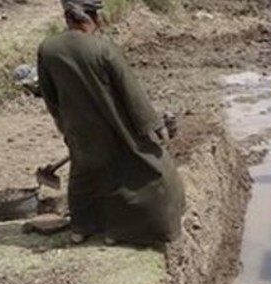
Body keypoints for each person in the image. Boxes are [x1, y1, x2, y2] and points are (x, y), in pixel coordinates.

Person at [37, 0, 184, 245]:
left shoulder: (48, 48)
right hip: (114, 127)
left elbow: (49, 95)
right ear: (91, 18)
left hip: (78, 129)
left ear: (67, 18)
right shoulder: (103, 48)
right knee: (150, 173)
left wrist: (64, 125)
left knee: (84, 175)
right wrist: (153, 126)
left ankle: (81, 228)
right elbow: (132, 92)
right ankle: (118, 232)